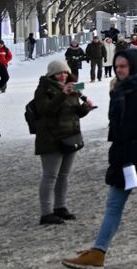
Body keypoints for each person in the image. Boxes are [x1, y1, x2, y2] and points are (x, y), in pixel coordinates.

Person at [62, 48, 137, 269]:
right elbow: (116, 128)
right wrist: (116, 154)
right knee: (114, 205)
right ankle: (98, 253)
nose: (118, 70)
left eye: (123, 66)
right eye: (117, 66)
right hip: (123, 158)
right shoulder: (118, 92)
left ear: (135, 67)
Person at [32, 59, 96, 225]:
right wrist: (63, 94)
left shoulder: (72, 88)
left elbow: (73, 112)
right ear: (51, 74)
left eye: (65, 72)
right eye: (59, 73)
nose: (63, 75)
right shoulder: (43, 89)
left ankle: (60, 207)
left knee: (64, 175)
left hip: (70, 136)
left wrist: (85, 108)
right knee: (50, 175)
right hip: (51, 138)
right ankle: (46, 213)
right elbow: (46, 110)